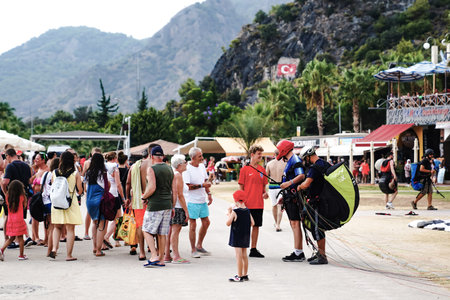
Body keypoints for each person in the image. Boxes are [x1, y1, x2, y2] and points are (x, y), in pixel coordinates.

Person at [141, 146, 176, 267]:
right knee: (162, 233)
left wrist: (144, 197)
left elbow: (152, 188)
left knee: (146, 229)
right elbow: (174, 190)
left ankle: (154, 255)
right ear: (162, 156)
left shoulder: (152, 169)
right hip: (167, 204)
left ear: (151, 156)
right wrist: (173, 206)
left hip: (155, 204)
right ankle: (161, 259)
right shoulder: (170, 168)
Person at [297, 146, 330, 265]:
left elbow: (306, 184)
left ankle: (322, 256)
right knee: (317, 228)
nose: (305, 161)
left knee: (317, 228)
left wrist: (299, 186)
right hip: (324, 200)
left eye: (305, 158)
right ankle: (319, 253)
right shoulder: (325, 164)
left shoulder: (314, 168)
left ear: (308, 156)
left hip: (317, 202)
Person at [126, 144, 159, 260]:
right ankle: (155, 249)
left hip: (138, 198)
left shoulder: (135, 166)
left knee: (140, 225)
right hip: (152, 197)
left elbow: (128, 183)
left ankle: (141, 252)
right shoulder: (155, 165)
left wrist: (127, 198)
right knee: (155, 224)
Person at [49, 151, 83, 261]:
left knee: (57, 227)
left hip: (57, 202)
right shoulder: (75, 173)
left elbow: (54, 186)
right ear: (72, 160)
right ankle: (69, 255)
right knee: (70, 229)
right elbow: (80, 190)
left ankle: (54, 249)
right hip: (70, 202)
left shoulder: (55, 172)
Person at [276, 140, 306, 262]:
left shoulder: (295, 160)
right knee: (293, 224)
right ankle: (297, 251)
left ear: (284, 149)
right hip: (288, 197)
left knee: (295, 223)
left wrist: (289, 183)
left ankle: (298, 253)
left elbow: (301, 175)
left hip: (294, 198)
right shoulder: (290, 161)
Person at [238, 145, 268, 258]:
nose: (261, 156)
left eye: (261, 153)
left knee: (256, 226)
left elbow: (263, 188)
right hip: (247, 204)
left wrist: (265, 194)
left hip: (259, 204)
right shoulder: (244, 169)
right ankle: (242, 248)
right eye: (259, 154)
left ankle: (253, 249)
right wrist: (241, 202)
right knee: (245, 227)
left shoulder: (262, 170)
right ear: (252, 155)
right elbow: (241, 188)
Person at [183, 147, 213, 258]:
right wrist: (201, 186)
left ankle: (199, 245)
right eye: (200, 156)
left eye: (201, 155)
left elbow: (205, 181)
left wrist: (209, 193)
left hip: (202, 200)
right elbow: (187, 187)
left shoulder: (201, 166)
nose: (202, 158)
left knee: (206, 222)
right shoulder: (187, 169)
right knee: (192, 226)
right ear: (193, 157)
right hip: (192, 201)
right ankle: (193, 249)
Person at [1, 148, 33, 248]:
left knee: (9, 216)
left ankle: (11, 239)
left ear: (8, 156)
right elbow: (29, 180)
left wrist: (5, 192)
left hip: (12, 196)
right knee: (20, 217)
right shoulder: (27, 166)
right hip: (24, 195)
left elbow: (5, 182)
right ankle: (20, 239)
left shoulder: (10, 166)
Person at [164, 154, 190, 264]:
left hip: (174, 206)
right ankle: (176, 255)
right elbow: (180, 194)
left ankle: (167, 254)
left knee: (170, 231)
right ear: (179, 165)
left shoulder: (173, 173)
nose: (186, 164)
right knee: (175, 231)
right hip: (178, 206)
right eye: (185, 162)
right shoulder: (178, 175)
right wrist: (186, 210)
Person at [85, 153, 110, 256]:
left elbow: (85, 188)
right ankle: (99, 250)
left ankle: (95, 247)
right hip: (100, 200)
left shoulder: (88, 172)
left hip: (89, 200)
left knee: (94, 223)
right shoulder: (103, 172)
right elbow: (106, 186)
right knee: (101, 225)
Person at [226, 190, 254, 282]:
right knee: (244, 255)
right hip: (245, 235)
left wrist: (229, 213)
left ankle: (239, 275)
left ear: (235, 200)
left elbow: (228, 223)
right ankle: (245, 274)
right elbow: (253, 223)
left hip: (237, 236)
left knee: (238, 256)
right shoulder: (247, 211)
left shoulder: (235, 212)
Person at [0, 180, 29, 261]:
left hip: (11, 220)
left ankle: (2, 249)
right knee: (20, 238)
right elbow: (24, 205)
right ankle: (21, 255)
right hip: (19, 219)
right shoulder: (22, 196)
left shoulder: (7, 196)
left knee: (11, 238)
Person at [103, 152, 125, 248]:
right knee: (118, 218)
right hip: (114, 194)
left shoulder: (103, 167)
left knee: (106, 219)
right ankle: (107, 237)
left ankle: (103, 243)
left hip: (105, 194)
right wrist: (123, 197)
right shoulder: (115, 168)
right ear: (115, 158)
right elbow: (118, 184)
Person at [81, 147, 102, 240]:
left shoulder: (101, 165)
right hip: (90, 189)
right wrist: (85, 188)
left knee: (96, 214)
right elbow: (83, 174)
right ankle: (86, 232)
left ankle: (95, 234)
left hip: (93, 188)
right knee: (90, 213)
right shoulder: (87, 163)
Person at [30, 152, 49, 245]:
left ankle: (46, 239)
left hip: (44, 197)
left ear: (43, 160)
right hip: (35, 197)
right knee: (34, 217)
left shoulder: (47, 170)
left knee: (46, 218)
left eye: (37, 159)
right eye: (35, 159)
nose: (35, 160)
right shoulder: (37, 170)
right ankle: (36, 237)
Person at [42, 158, 59, 256]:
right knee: (53, 227)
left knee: (50, 227)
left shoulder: (45, 174)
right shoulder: (56, 175)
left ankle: (51, 247)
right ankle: (50, 250)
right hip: (53, 202)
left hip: (45, 201)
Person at [265, 149, 286, 232]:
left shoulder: (269, 164)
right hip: (281, 185)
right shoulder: (285, 163)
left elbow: (266, 176)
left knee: (274, 205)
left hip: (272, 186)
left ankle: (275, 222)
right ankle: (278, 224)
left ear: (274, 154)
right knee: (279, 206)